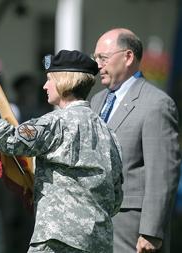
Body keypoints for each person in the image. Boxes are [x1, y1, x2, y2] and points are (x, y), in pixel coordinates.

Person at [0, 50, 123, 252]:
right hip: (98, 242)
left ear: (64, 81)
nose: (45, 86)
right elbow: (116, 197)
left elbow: (8, 140)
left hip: (58, 240)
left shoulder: (55, 123)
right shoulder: (109, 133)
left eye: (49, 79)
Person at [90, 28, 181, 253]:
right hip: (93, 223)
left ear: (128, 57)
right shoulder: (96, 101)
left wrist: (151, 231)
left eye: (103, 58)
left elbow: (162, 173)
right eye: (95, 58)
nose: (97, 65)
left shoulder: (156, 103)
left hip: (131, 228)